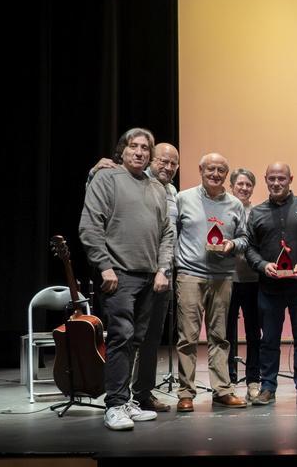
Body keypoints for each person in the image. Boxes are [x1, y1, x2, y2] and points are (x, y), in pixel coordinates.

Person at [79, 127, 173, 430]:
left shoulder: (156, 187)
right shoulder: (107, 178)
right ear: (123, 149)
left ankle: (126, 399)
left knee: (135, 339)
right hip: (118, 274)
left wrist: (162, 269)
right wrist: (104, 266)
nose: (140, 152)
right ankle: (115, 405)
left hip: (149, 276)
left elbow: (166, 234)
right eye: (134, 146)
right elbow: (90, 225)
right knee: (120, 337)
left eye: (146, 148)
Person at [245, 163, 297, 407]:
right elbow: (249, 248)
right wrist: (262, 265)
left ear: (290, 178)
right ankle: (267, 387)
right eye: (272, 178)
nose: (276, 183)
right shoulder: (257, 213)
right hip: (269, 289)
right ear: (265, 180)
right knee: (269, 340)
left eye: (281, 178)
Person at [174, 153, 249, 411]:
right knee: (188, 337)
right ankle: (186, 393)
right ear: (201, 170)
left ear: (226, 174)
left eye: (220, 170)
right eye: (210, 169)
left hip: (222, 277)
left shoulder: (235, 205)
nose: (215, 174)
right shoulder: (183, 198)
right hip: (190, 275)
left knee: (220, 336)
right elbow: (171, 234)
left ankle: (222, 390)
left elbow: (244, 238)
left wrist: (232, 244)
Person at [225, 168, 262, 401]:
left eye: (249, 184)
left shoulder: (257, 213)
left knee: (253, 333)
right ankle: (228, 380)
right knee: (227, 333)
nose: (244, 188)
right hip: (227, 279)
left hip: (253, 279)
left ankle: (253, 380)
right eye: (240, 184)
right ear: (232, 186)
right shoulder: (224, 208)